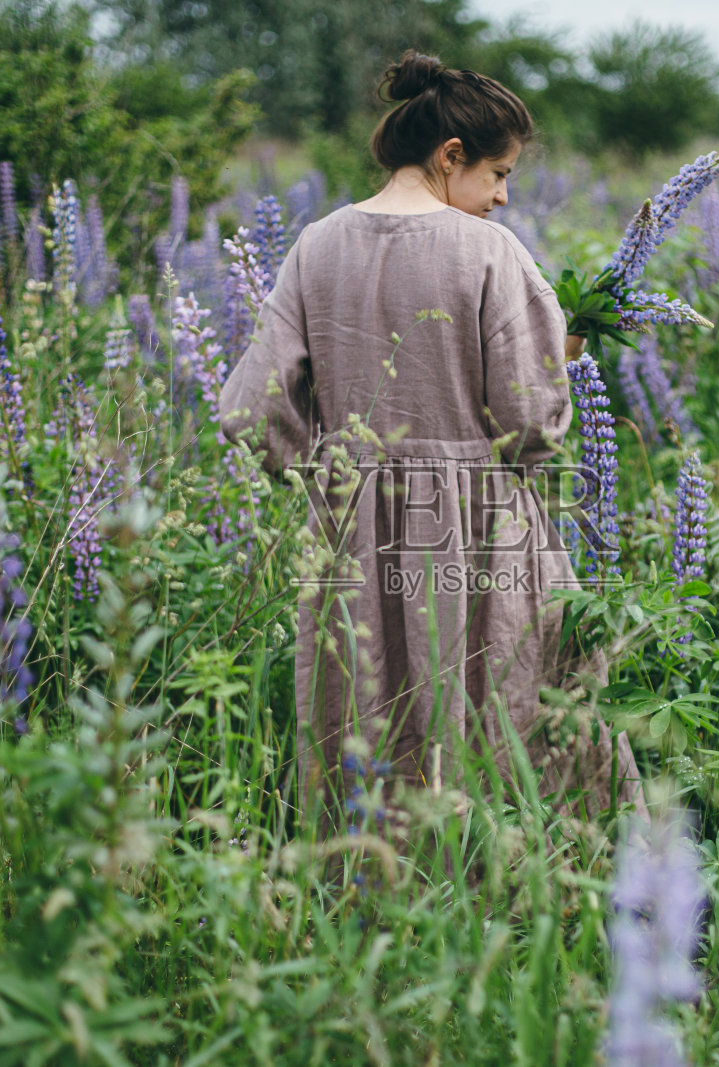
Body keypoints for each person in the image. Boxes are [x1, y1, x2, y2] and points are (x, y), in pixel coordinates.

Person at [218, 49, 646, 830]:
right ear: (451, 156)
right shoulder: (490, 251)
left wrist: (332, 475)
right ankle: (516, 877)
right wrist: (562, 360)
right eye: (498, 174)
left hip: (353, 535)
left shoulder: (316, 244)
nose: (504, 196)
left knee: (368, 714)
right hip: (479, 530)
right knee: (511, 708)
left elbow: (251, 410)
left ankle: (374, 881)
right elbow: (530, 422)